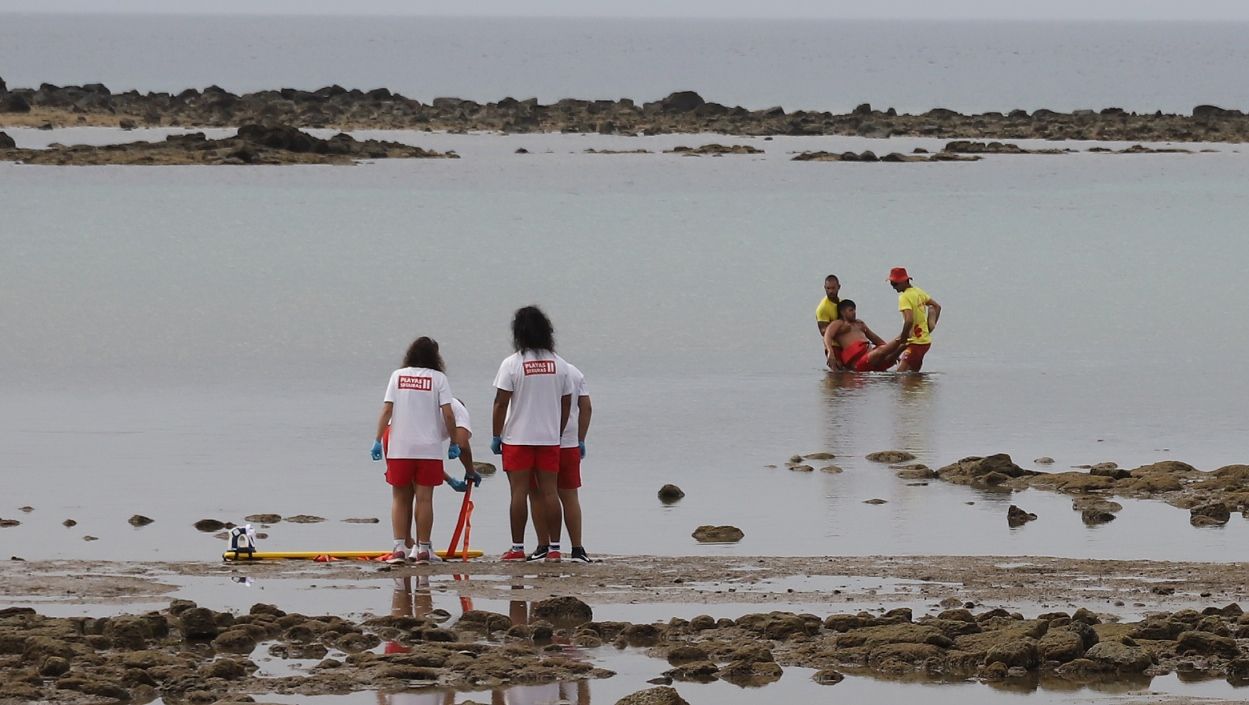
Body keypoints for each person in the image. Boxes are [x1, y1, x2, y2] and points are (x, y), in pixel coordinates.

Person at [491, 306, 574, 562]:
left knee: (519, 493)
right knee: (550, 492)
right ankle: (555, 548)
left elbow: (501, 402)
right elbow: (566, 401)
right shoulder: (560, 364)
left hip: (517, 438)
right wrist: (557, 431)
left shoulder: (513, 363)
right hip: (549, 438)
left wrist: (496, 434)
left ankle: (517, 547)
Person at [371, 336, 460, 565]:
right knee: (424, 499)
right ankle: (423, 549)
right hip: (429, 448)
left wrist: (377, 439)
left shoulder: (397, 376)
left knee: (400, 498)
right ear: (435, 357)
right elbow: (449, 414)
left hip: (400, 447)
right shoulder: (439, 378)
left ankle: (399, 548)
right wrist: (453, 442)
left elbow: (386, 410)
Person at [526, 358, 592, 563]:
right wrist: (581, 438)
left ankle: (543, 546)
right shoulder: (572, 371)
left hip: (541, 440)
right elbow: (586, 407)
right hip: (569, 441)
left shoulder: (532, 372)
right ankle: (577, 549)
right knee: (570, 496)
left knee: (538, 495)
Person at [823, 299, 907, 372]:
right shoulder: (839, 323)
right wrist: (830, 352)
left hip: (872, 359)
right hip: (859, 363)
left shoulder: (860, 324)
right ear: (843, 312)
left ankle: (908, 339)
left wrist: (892, 351)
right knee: (879, 352)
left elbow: (877, 340)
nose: (854, 312)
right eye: (851, 310)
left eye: (855, 310)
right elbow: (827, 335)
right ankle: (903, 335)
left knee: (900, 349)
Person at [888, 267, 942, 372]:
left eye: (895, 284)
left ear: (904, 281)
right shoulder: (918, 291)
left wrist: (903, 337)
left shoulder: (904, 297)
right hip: (925, 342)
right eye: (891, 284)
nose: (893, 288)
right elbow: (937, 307)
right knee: (914, 376)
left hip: (916, 343)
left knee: (900, 374)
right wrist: (930, 327)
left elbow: (909, 320)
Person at [815, 274, 845, 368]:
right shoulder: (823, 308)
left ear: (839, 287)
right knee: (837, 374)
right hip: (833, 347)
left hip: (844, 344)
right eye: (828, 288)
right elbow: (823, 331)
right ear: (824, 288)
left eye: (833, 288)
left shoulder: (841, 302)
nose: (831, 291)